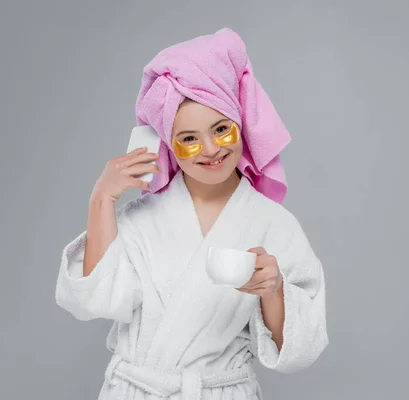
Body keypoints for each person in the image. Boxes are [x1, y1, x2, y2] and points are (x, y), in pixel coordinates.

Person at [55, 27, 328, 400]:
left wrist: (273, 291)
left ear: (240, 125)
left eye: (221, 130)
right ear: (168, 142)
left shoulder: (274, 225)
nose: (211, 149)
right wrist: (101, 199)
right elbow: (92, 302)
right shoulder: (140, 219)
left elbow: (300, 348)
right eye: (189, 139)